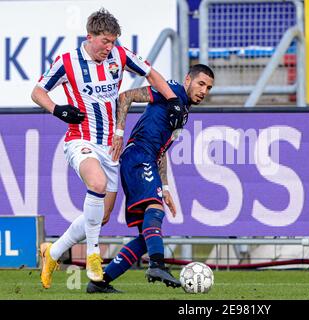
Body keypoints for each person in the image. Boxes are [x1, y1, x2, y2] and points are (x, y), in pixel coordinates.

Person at [31, 8, 185, 289]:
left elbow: (153, 75)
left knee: (100, 216)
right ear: (90, 37)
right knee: (97, 183)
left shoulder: (120, 55)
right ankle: (93, 255)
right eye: (105, 42)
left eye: (113, 41)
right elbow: (37, 91)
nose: (109, 48)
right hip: (81, 139)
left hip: (110, 148)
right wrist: (58, 110)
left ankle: (51, 253)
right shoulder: (67, 62)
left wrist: (173, 99)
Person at [86, 64, 215, 293]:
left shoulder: (183, 111)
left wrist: (165, 187)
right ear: (188, 80)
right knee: (155, 210)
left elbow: (162, 151)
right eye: (201, 84)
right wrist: (119, 134)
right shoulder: (171, 90)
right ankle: (157, 265)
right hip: (138, 154)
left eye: (209, 87)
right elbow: (126, 97)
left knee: (147, 236)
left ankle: (100, 282)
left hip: (149, 157)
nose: (204, 91)